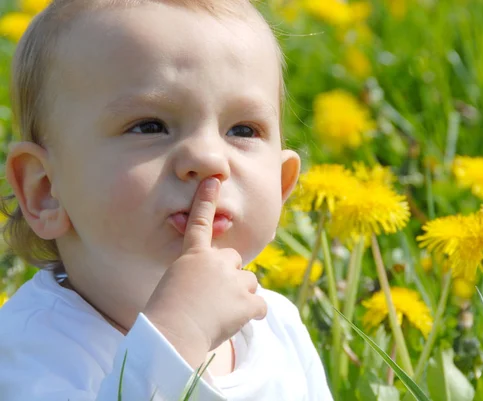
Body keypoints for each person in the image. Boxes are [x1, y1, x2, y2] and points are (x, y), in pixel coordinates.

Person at [0, 0, 333, 399]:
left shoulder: (278, 325)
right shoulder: (30, 353)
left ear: (282, 187)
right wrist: (176, 337)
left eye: (242, 129)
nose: (209, 159)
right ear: (46, 190)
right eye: (150, 126)